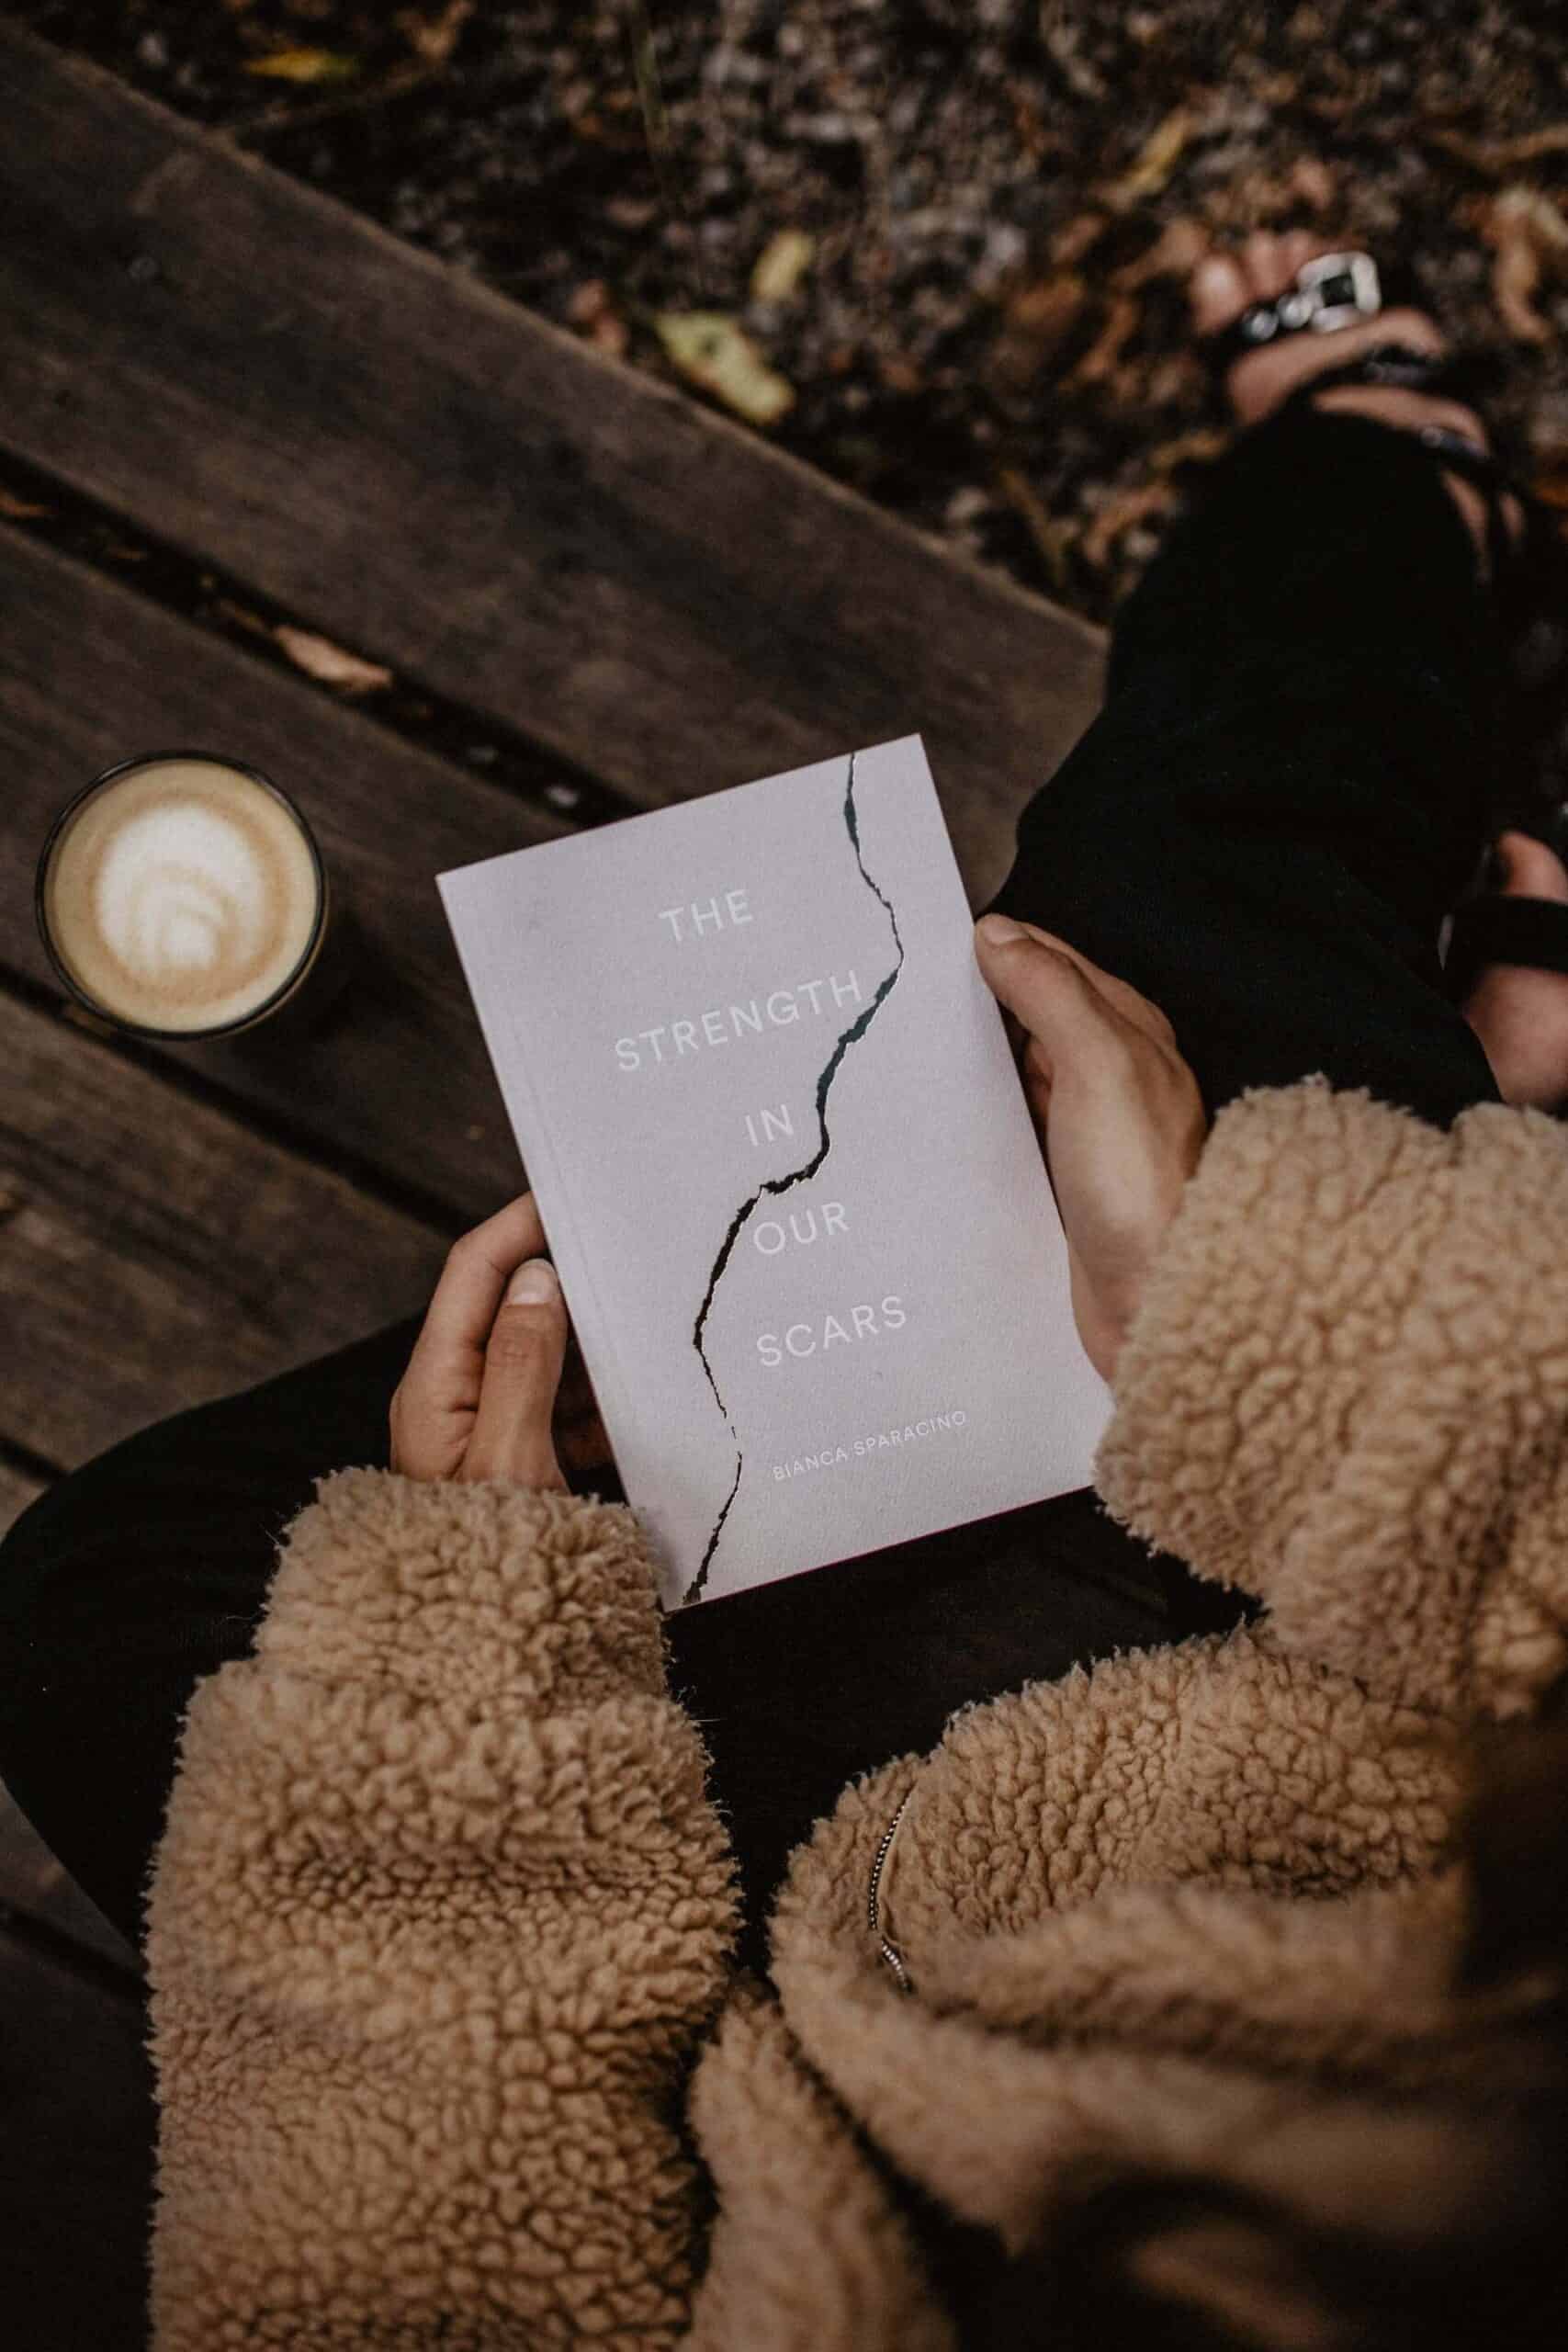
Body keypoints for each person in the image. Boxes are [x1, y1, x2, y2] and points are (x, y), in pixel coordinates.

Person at [5, 229, 1568, 2346]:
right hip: (1316, 1857)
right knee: (1185, 943)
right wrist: (1294, 1333)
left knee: (99, 1595)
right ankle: (1396, 489)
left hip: (807, 2085)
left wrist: (467, 1731)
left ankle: (1402, 655)